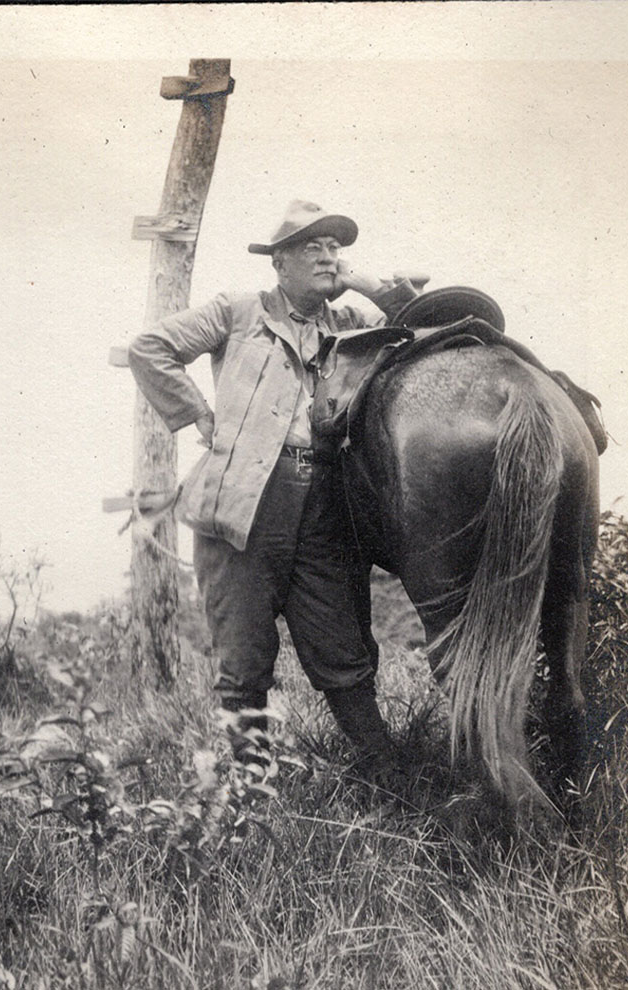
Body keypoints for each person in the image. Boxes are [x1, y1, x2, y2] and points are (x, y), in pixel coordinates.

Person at [128, 199, 419, 773]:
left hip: (325, 507)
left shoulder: (349, 327)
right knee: (243, 657)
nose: (329, 256)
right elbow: (151, 348)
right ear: (279, 262)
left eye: (336, 248)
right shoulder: (239, 311)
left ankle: (390, 774)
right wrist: (199, 416)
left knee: (344, 647)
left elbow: (412, 331)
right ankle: (248, 789)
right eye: (313, 246)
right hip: (243, 504)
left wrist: (373, 288)